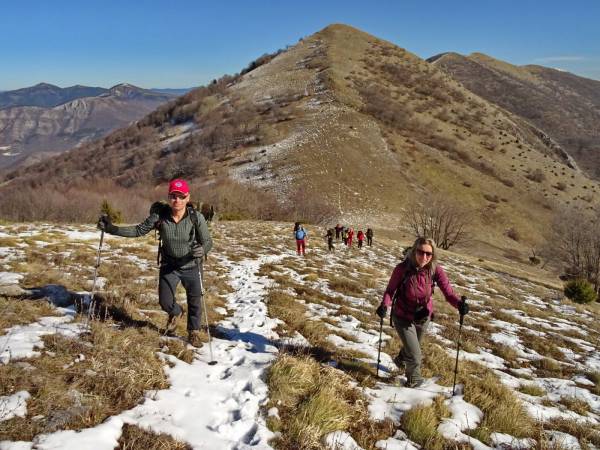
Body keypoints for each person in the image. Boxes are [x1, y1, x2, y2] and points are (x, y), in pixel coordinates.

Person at [97, 179, 213, 346]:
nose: (177, 200)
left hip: (191, 265)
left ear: (188, 197)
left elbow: (208, 242)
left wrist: (202, 249)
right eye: (173, 196)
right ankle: (176, 312)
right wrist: (112, 229)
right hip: (169, 265)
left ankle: (193, 332)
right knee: (165, 302)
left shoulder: (196, 217)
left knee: (195, 300)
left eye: (181, 196)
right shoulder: (160, 216)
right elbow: (138, 230)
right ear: (169, 197)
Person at [375, 237, 468, 388]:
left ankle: (400, 360)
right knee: (415, 355)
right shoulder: (402, 269)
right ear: (414, 251)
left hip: (423, 317)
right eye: (420, 252)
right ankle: (414, 382)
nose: (424, 257)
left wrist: (459, 304)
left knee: (413, 347)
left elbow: (449, 293)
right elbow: (390, 290)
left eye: (428, 254)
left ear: (433, 255)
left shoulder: (435, 270)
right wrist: (384, 305)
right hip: (403, 316)